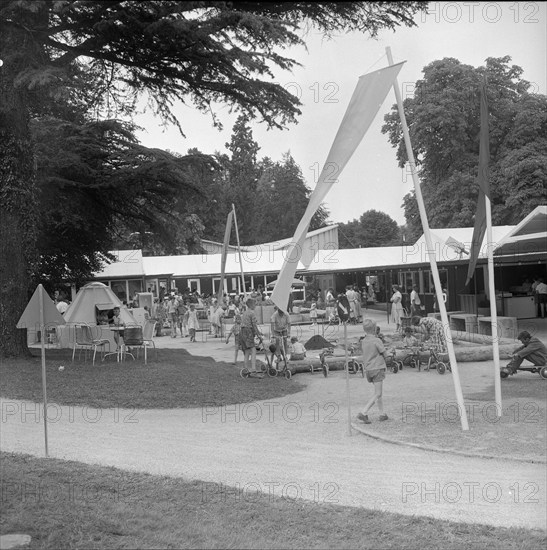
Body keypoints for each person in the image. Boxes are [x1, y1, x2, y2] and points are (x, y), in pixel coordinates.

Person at [356, 319, 389, 424]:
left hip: (369, 369)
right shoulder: (377, 340)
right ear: (375, 329)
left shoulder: (364, 341)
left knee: (377, 392)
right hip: (377, 368)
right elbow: (385, 354)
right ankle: (364, 412)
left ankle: (382, 413)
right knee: (378, 393)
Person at [239, 298, 263, 375]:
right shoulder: (252, 313)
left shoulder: (245, 312)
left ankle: (245, 368)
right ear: (251, 305)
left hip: (242, 332)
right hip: (248, 331)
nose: (255, 306)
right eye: (255, 304)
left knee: (247, 351)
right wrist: (258, 333)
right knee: (253, 350)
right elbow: (254, 325)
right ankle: (253, 368)